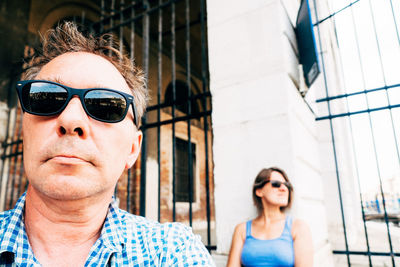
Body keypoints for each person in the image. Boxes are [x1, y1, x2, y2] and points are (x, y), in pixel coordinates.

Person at [0, 22, 214, 266]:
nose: (70, 120)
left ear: (133, 148)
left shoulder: (173, 252)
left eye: (105, 105)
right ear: (24, 129)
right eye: (47, 98)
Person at [227, 167, 313, 267]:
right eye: (276, 184)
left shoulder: (298, 227)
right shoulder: (242, 229)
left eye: (287, 185)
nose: (284, 188)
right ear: (259, 191)